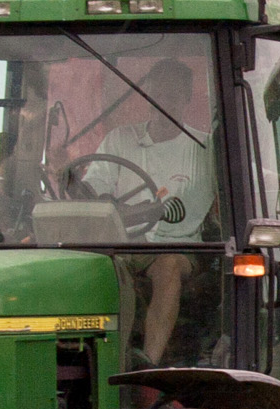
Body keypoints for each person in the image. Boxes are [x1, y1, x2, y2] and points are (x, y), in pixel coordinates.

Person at [92, 57, 218, 366]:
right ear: (147, 95)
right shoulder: (120, 140)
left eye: (172, 95)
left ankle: (146, 366)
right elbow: (93, 185)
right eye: (157, 94)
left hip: (178, 245)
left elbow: (256, 177)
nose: (163, 102)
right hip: (123, 242)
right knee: (101, 266)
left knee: (168, 265)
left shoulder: (205, 149)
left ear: (187, 99)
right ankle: (106, 360)